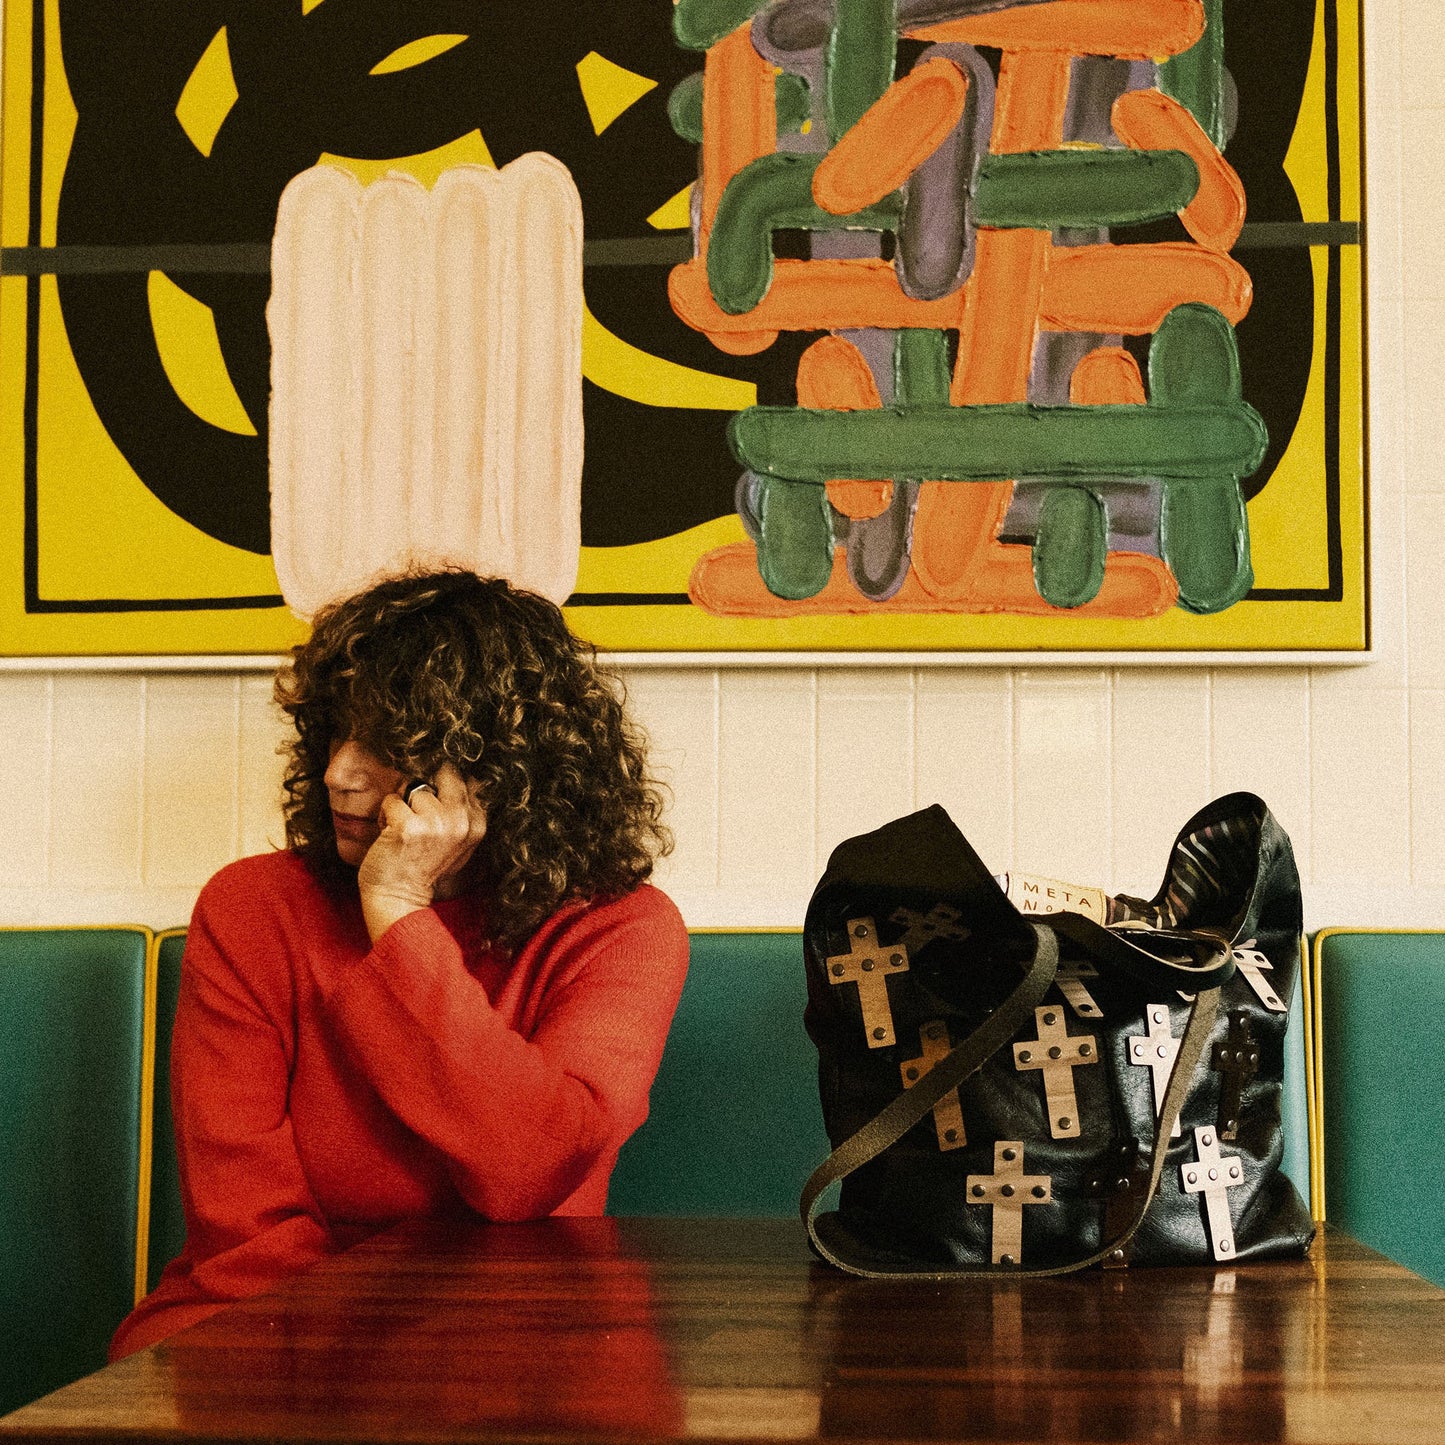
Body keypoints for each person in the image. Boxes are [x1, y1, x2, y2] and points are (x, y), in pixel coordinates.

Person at [110, 569, 688, 1358]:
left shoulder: (621, 928)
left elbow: (530, 1170)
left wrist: (399, 913)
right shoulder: (252, 907)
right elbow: (244, 1236)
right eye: (333, 734)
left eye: (386, 746)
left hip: (523, 1343)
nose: (338, 773)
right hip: (273, 1334)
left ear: (497, 768)